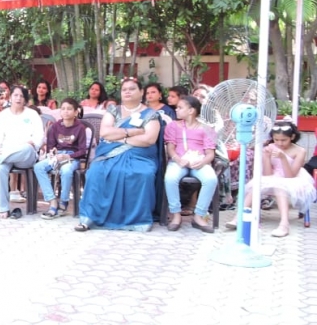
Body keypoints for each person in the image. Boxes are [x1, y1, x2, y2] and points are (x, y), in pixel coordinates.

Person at [74, 77, 164, 232]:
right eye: (124, 89)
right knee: (96, 171)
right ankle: (91, 217)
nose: (127, 92)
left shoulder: (151, 114)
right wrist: (132, 132)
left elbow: (149, 139)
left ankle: (137, 220)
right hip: (110, 154)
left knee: (143, 173)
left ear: (141, 92)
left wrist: (120, 138)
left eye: (132, 89)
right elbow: (105, 132)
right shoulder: (113, 110)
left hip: (141, 156)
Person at [227, 120, 317, 238]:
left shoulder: (300, 151)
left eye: (283, 140)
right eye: (276, 140)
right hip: (273, 176)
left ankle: (284, 224)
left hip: (293, 177)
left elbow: (290, 176)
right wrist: (266, 157)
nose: (279, 143)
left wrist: (283, 158)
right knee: (255, 186)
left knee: (280, 188)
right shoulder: (270, 147)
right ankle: (238, 217)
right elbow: (267, 174)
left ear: (292, 137)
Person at [0, 85, 44, 216]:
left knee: (26, 148)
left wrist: (28, 144)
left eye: (21, 96)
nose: (18, 98)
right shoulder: (2, 116)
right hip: (5, 155)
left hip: (25, 156)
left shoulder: (32, 114)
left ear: (25, 99)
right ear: (10, 97)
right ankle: (3, 209)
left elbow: (38, 139)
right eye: (15, 95)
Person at [164, 95, 218, 233]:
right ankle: (176, 215)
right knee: (170, 178)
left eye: (180, 107)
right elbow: (170, 148)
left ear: (191, 110)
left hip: (199, 162)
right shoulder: (173, 126)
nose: (176, 109)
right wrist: (178, 159)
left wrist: (202, 162)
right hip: (178, 161)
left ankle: (199, 216)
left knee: (211, 179)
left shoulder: (206, 129)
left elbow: (210, 154)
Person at [35, 98, 89, 219]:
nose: (66, 111)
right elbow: (50, 146)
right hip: (57, 156)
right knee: (38, 167)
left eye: (69, 109)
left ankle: (63, 202)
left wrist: (68, 156)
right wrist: (53, 152)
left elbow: (82, 151)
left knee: (66, 170)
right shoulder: (55, 126)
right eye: (63, 108)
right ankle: (52, 201)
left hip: (72, 157)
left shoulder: (80, 128)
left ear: (76, 112)